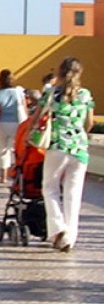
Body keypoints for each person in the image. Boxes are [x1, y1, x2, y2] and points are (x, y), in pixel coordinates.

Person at [38, 56, 95, 252]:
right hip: (79, 150)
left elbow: (37, 118)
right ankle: (69, 238)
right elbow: (90, 123)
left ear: (60, 73)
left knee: (50, 188)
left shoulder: (51, 93)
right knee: (73, 194)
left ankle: (58, 228)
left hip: (57, 147)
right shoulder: (86, 95)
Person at [0, 69, 28, 183]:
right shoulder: (19, 93)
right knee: (16, 149)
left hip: (3, 124)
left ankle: (4, 177)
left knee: (3, 150)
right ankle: (18, 175)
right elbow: (24, 108)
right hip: (18, 123)